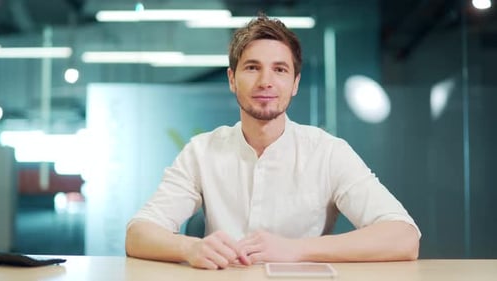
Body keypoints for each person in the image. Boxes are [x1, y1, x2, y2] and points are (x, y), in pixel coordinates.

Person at [125, 14, 421, 270]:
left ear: (294, 84)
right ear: (231, 79)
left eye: (280, 69)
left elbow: (404, 237)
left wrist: (296, 250)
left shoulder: (328, 151)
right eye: (252, 67)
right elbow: (138, 233)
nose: (266, 81)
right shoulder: (201, 151)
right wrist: (189, 248)